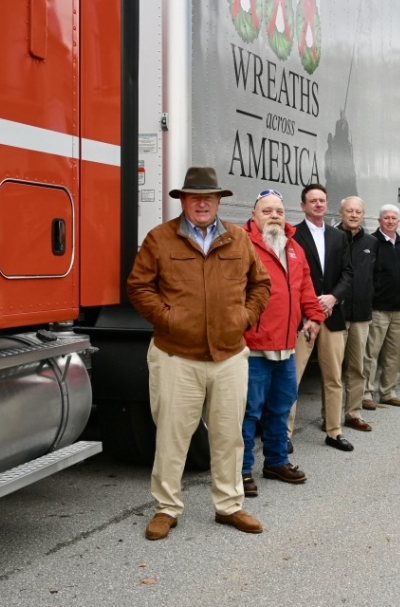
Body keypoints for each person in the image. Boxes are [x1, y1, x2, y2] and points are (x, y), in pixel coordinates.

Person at [126, 167, 271, 540]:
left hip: (228, 356)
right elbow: (138, 286)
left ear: (219, 201)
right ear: (183, 201)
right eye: (194, 197)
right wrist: (169, 320)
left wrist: (244, 316)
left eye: (209, 197)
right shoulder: (160, 239)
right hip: (176, 354)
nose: (202, 203)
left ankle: (229, 505)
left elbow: (261, 284)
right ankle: (166, 507)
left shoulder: (238, 239)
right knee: (173, 436)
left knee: (228, 436)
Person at [241, 190, 324, 498]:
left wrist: (314, 316)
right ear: (254, 216)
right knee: (249, 411)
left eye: (279, 211)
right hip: (254, 347)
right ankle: (241, 470)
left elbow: (305, 288)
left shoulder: (294, 248)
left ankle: (276, 461)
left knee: (280, 407)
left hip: (287, 347)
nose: (274, 215)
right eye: (267, 211)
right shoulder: (242, 245)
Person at [288, 184, 354, 452]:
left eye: (322, 200)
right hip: (304, 318)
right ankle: (284, 433)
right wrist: (310, 303)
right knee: (293, 377)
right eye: (312, 201)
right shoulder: (292, 235)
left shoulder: (339, 237)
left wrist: (333, 297)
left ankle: (334, 431)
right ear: (303, 205)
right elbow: (290, 275)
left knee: (333, 376)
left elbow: (349, 273)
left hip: (332, 315)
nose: (317, 205)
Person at [362, 205, 400, 409]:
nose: (390, 221)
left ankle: (388, 392)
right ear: (379, 221)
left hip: (399, 310)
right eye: (386, 218)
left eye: (394, 218)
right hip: (378, 309)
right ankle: (366, 393)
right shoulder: (372, 243)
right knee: (371, 353)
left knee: (394, 354)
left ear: (398, 222)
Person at [337, 197, 378, 431]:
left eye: (358, 212)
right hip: (336, 314)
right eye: (349, 211)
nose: (354, 215)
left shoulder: (372, 242)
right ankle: (330, 416)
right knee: (332, 371)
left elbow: (377, 275)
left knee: (357, 366)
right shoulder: (331, 238)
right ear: (341, 213)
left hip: (361, 314)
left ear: (363, 215)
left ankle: (353, 414)